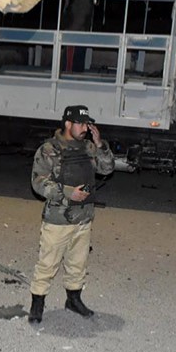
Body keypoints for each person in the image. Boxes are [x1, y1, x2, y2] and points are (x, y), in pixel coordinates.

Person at [28, 104, 115, 324]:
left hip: (83, 217)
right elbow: (38, 183)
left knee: (78, 264)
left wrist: (100, 145)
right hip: (58, 219)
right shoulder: (48, 149)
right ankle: (37, 305)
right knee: (47, 264)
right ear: (68, 123)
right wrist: (68, 193)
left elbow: (107, 169)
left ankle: (73, 300)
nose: (86, 128)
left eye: (88, 123)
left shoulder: (88, 148)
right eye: (81, 123)